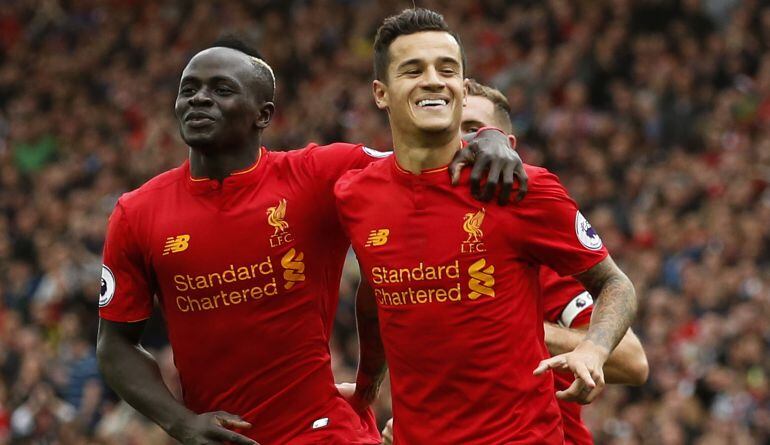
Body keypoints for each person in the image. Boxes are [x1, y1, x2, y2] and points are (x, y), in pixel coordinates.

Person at [95, 36, 525, 444]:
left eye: (221, 89)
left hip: (323, 428)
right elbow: (115, 344)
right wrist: (181, 423)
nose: (199, 98)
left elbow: (416, 163)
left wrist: (484, 137)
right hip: (222, 435)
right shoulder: (138, 212)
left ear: (262, 114)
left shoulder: (318, 174)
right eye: (188, 89)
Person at [334, 8, 638, 444]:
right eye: (413, 69)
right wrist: (366, 388)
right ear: (381, 93)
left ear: (460, 84)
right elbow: (374, 292)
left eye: (447, 69)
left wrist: (593, 347)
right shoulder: (355, 194)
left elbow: (616, 283)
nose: (434, 80)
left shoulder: (519, 187)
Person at [380, 79, 650, 444]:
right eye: (452, 127)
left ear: (506, 147)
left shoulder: (531, 249)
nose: (463, 142)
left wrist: (515, 329)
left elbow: (632, 361)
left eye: (475, 129)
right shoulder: (413, 251)